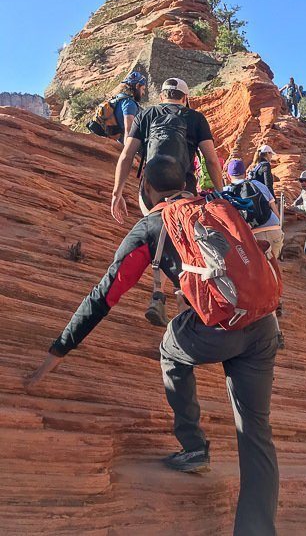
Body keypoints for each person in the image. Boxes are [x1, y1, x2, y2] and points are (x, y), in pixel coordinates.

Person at [26, 155, 280, 536]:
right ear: (189, 182)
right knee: (255, 431)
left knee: (171, 348)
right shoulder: (215, 203)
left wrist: (58, 351)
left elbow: (104, 295)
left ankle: (193, 446)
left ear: (145, 188)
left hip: (218, 328)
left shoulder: (151, 227)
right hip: (263, 323)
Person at [111, 77, 223, 223]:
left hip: (150, 191)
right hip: (185, 190)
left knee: (154, 230)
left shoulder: (144, 115)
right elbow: (211, 160)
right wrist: (221, 192)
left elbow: (127, 155)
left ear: (161, 96)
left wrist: (116, 194)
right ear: (185, 98)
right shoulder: (196, 118)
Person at [224, 158, 283, 260]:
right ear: (245, 173)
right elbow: (275, 212)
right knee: (273, 268)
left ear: (228, 177)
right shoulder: (258, 184)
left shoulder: (226, 191)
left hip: (253, 236)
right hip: (274, 229)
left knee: (259, 271)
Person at [114, 71, 146, 143]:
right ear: (137, 86)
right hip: (124, 144)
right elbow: (129, 131)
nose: (143, 93)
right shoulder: (129, 103)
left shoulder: (119, 98)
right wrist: (128, 152)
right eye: (143, 89)